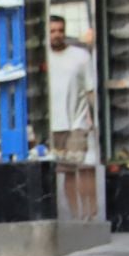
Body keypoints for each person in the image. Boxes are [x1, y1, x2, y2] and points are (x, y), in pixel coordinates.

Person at [46, 17, 98, 221]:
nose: (57, 34)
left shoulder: (80, 56)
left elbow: (90, 89)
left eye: (60, 30)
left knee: (83, 167)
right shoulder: (43, 57)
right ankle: (76, 216)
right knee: (67, 171)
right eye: (52, 31)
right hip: (53, 124)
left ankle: (90, 212)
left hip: (77, 122)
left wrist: (93, 117)